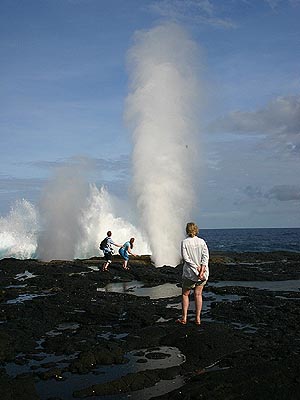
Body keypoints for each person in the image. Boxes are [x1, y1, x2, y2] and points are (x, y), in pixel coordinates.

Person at [177, 222, 209, 326]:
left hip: (190, 274)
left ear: (187, 230)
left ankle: (184, 318)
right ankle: (198, 319)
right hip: (203, 274)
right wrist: (202, 269)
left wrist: (196, 268)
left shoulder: (185, 242)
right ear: (196, 229)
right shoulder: (202, 241)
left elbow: (186, 259)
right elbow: (206, 257)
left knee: (185, 294)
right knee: (198, 294)